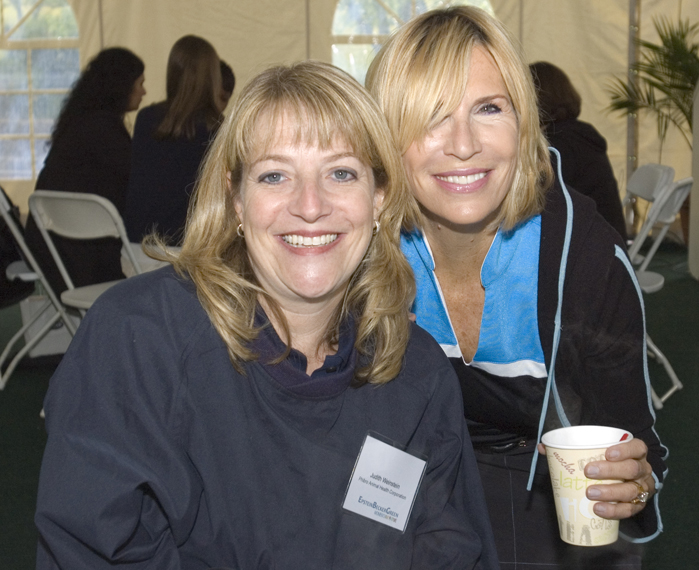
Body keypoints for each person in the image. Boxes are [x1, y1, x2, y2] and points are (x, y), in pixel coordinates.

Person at [35, 60, 498, 569]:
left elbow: (450, 546)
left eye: (341, 173)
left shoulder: (414, 372)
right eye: (275, 175)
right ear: (236, 199)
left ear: (379, 199)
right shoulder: (140, 342)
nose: (310, 205)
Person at [366, 7, 667, 569]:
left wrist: (636, 486)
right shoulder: (363, 250)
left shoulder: (585, 263)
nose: (463, 144)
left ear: (523, 124)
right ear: (385, 138)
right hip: (411, 466)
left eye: (488, 108)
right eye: (430, 116)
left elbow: (636, 447)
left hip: (545, 482)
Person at [24, 47, 145, 298]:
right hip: (84, 260)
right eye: (140, 84)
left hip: (50, 251)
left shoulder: (76, 126)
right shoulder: (108, 133)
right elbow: (133, 191)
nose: (143, 92)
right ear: (122, 87)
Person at [124, 35, 223, 246]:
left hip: (137, 247)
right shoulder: (217, 129)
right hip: (187, 250)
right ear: (213, 78)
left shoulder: (146, 119)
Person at [530, 61, 628, 241]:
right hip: (606, 238)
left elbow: (537, 199)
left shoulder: (560, 146)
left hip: (594, 247)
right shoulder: (577, 134)